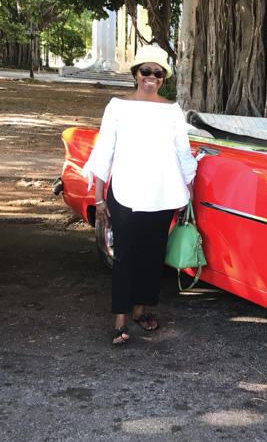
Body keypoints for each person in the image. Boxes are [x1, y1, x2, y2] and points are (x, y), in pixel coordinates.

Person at [82, 45, 197, 345]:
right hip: (125, 193)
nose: (152, 77)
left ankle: (140, 310)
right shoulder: (117, 106)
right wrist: (99, 197)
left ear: (163, 79)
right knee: (126, 256)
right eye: (146, 71)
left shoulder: (172, 110)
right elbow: (103, 151)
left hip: (163, 194)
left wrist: (189, 193)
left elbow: (183, 153)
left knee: (152, 255)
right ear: (135, 74)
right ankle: (120, 318)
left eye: (158, 74)